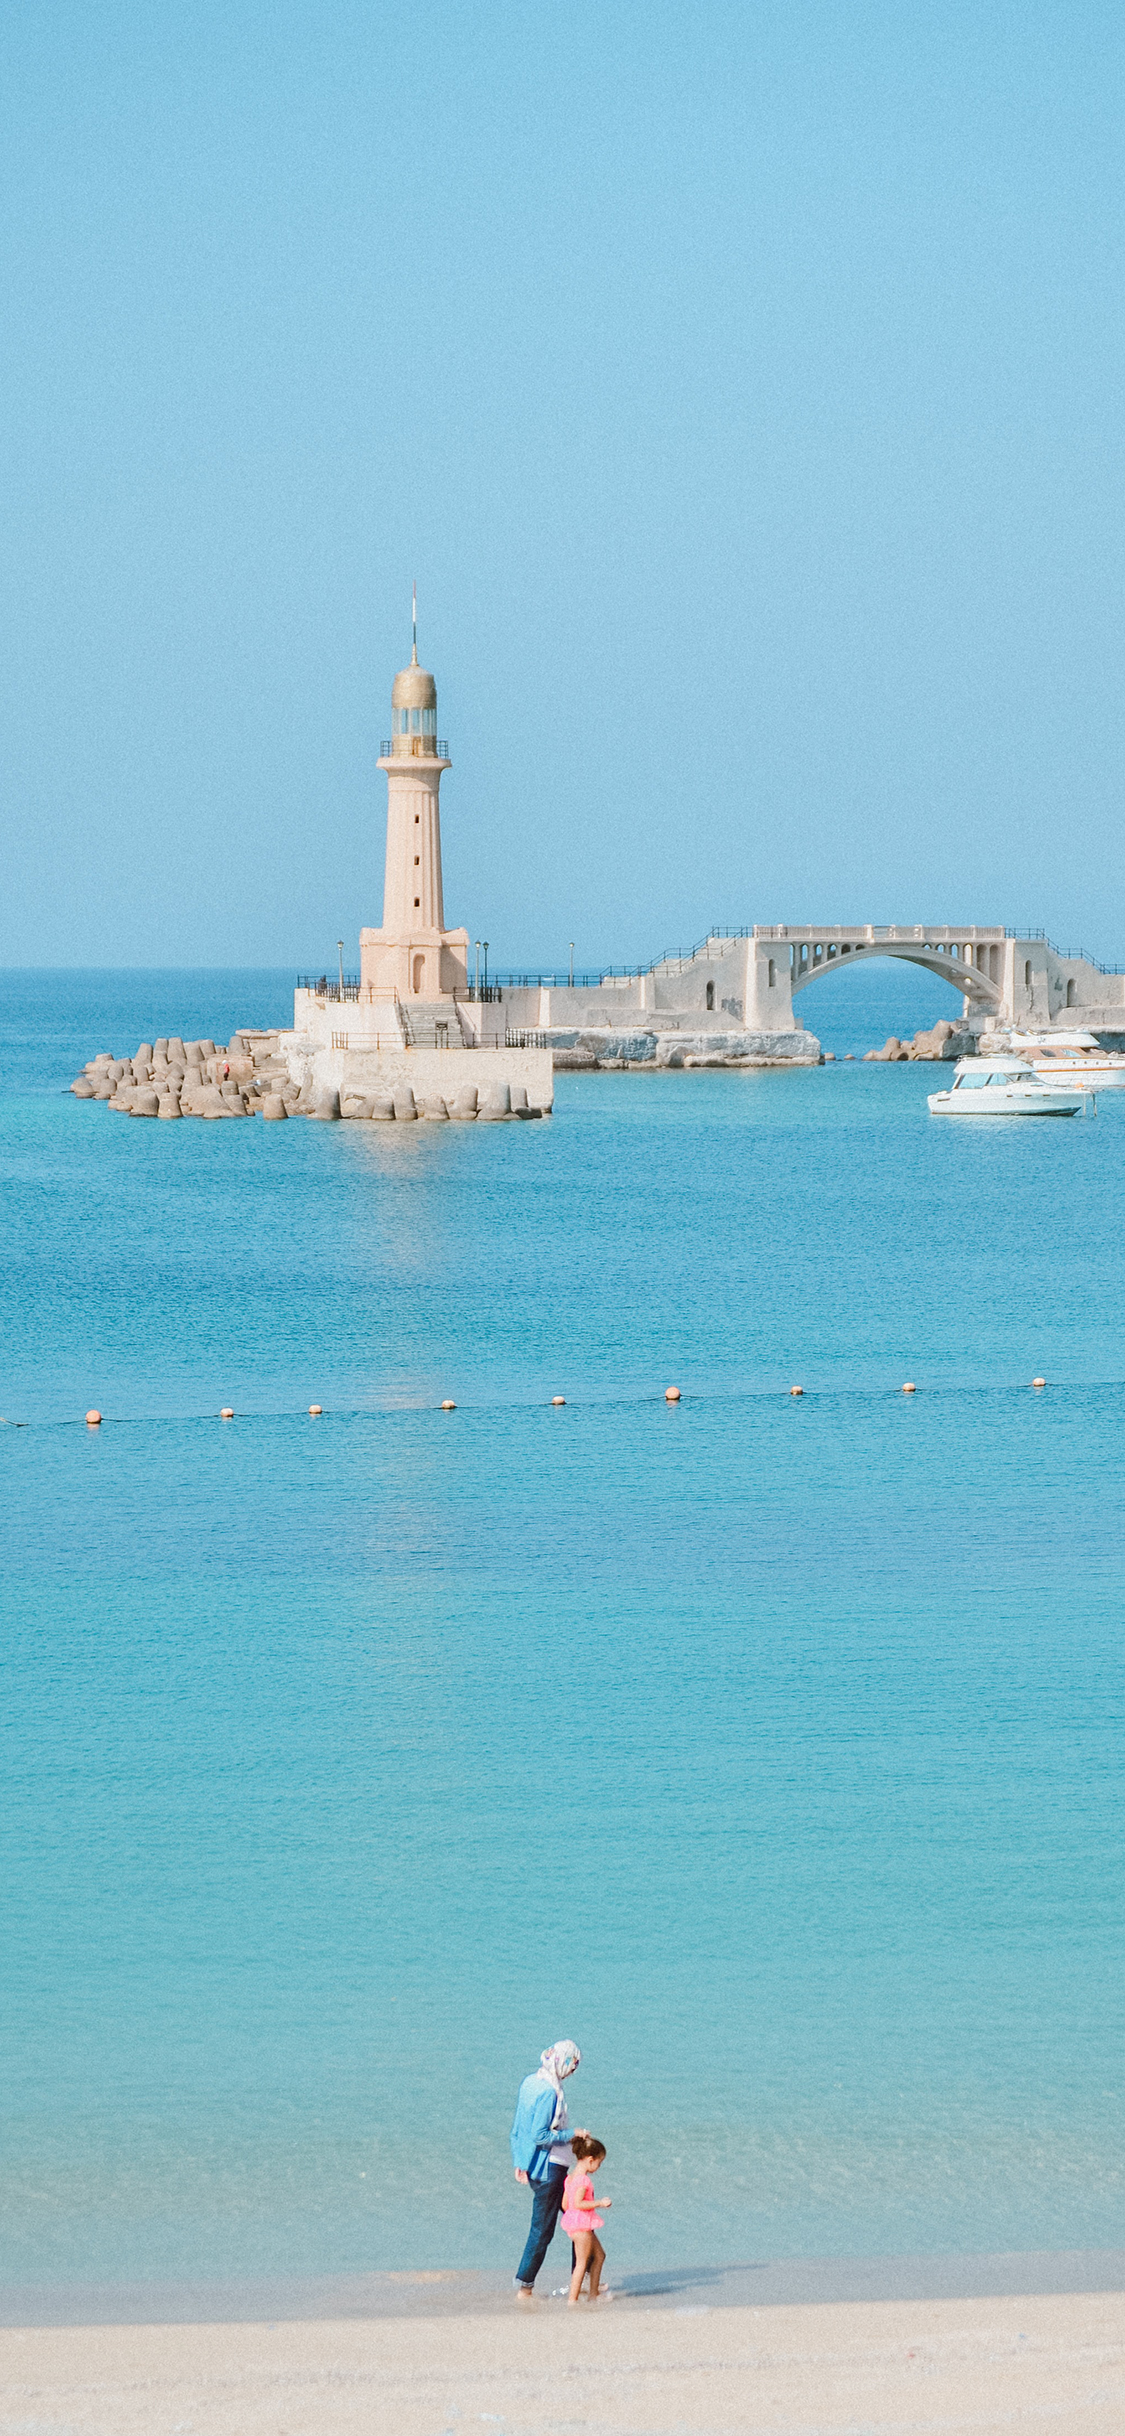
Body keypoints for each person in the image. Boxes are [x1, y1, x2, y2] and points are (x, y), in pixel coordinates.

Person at [510, 2039, 584, 2294]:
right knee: (544, 2228)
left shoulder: (530, 2082)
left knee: (580, 2222)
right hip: (549, 2168)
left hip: (540, 2166)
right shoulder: (548, 2092)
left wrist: (520, 2161)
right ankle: (525, 2285)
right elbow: (540, 2135)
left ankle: (583, 2278)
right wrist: (573, 2134)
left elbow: (519, 2126)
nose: (572, 2072)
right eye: (572, 2066)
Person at [562, 2135, 611, 2304]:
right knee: (582, 2263)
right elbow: (578, 2203)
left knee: (599, 2255)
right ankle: (572, 2300)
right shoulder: (583, 2180)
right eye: (599, 2162)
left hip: (575, 2224)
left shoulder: (570, 2178)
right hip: (581, 2225)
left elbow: (565, 2204)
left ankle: (593, 2294)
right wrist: (600, 2203)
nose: (598, 2167)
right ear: (590, 2160)